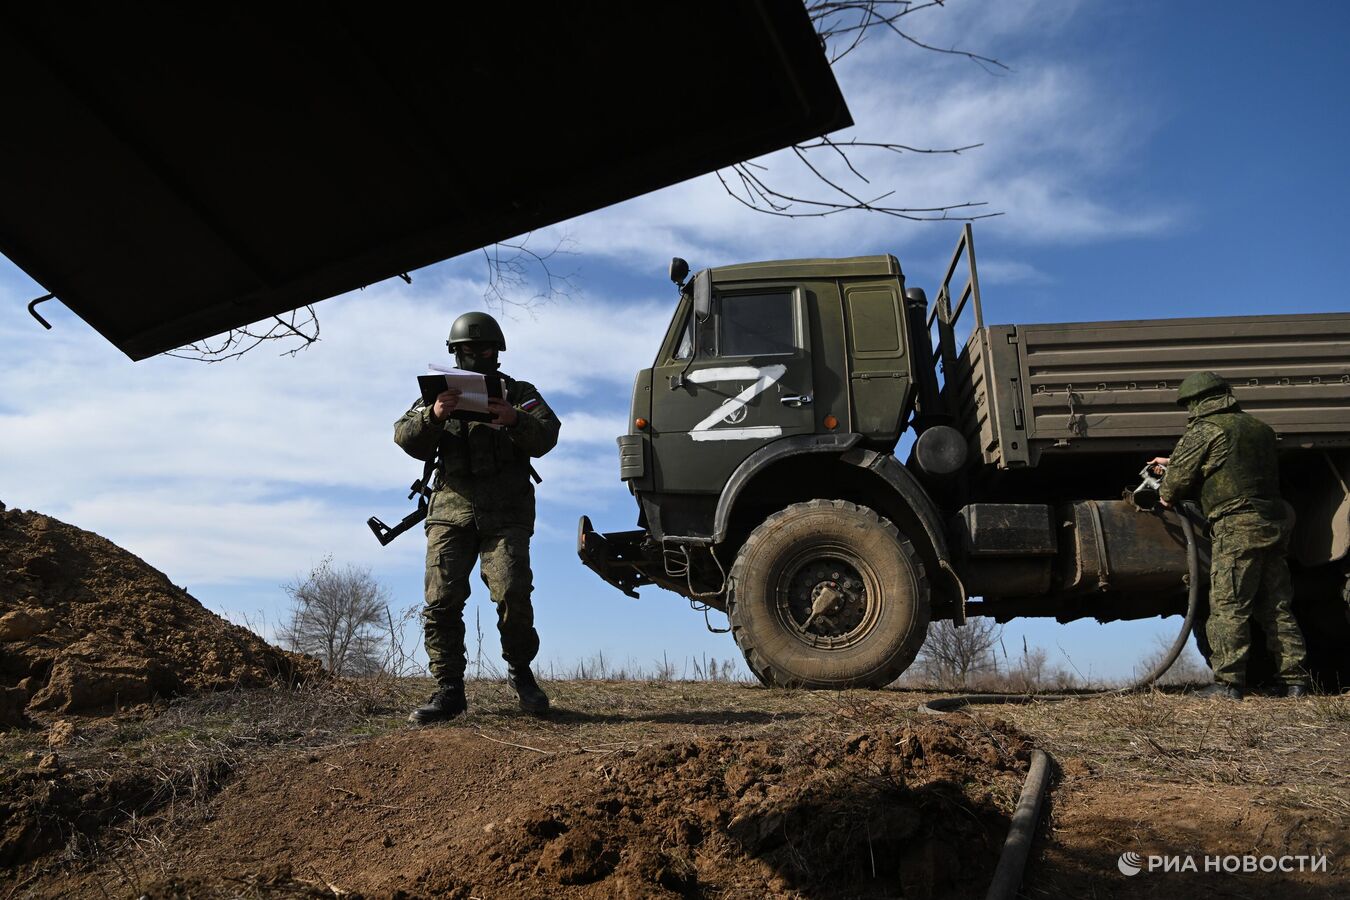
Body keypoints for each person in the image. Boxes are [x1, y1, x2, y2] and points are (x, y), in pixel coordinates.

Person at [394, 311, 561, 724]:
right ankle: (449, 689)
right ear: (455, 353)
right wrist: (433, 414)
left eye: (485, 349)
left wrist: (514, 418)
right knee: (441, 599)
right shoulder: (437, 393)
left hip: (506, 510)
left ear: (497, 352)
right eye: (468, 350)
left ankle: (522, 675)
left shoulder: (519, 391)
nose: (477, 355)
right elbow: (403, 435)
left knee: (512, 592)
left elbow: (548, 432)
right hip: (451, 509)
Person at [1151, 371, 1309, 700]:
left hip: (1236, 527)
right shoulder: (1259, 429)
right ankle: (1295, 682)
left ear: (1195, 403)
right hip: (1273, 522)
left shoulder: (1203, 430)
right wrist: (1178, 461)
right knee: (1276, 606)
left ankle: (1228, 684)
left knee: (1228, 606)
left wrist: (1169, 476)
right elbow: (1232, 462)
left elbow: (1171, 490)